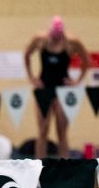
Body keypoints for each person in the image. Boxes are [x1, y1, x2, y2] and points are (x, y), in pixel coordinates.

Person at [24, 16, 89, 159]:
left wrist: (77, 81)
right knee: (42, 130)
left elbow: (86, 59)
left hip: (63, 91)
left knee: (62, 132)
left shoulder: (72, 42)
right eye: (53, 38)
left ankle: (64, 169)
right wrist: (32, 78)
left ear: (62, 34)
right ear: (50, 33)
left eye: (58, 38)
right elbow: (27, 55)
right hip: (43, 89)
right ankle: (39, 167)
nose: (55, 41)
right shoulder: (40, 39)